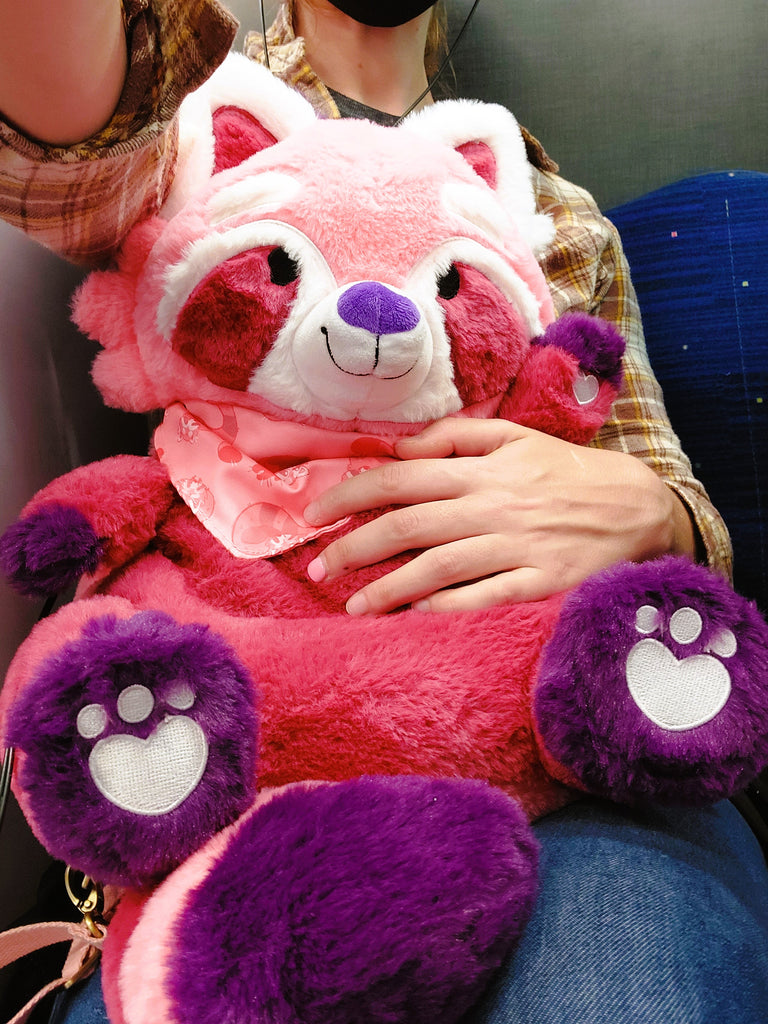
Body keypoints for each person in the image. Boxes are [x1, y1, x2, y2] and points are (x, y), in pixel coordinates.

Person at [0, 2, 766, 1021]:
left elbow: (682, 525)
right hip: (238, 787)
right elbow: (65, 159)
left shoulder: (555, 211)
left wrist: (651, 511)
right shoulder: (194, 125)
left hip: (558, 752)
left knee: (613, 990)